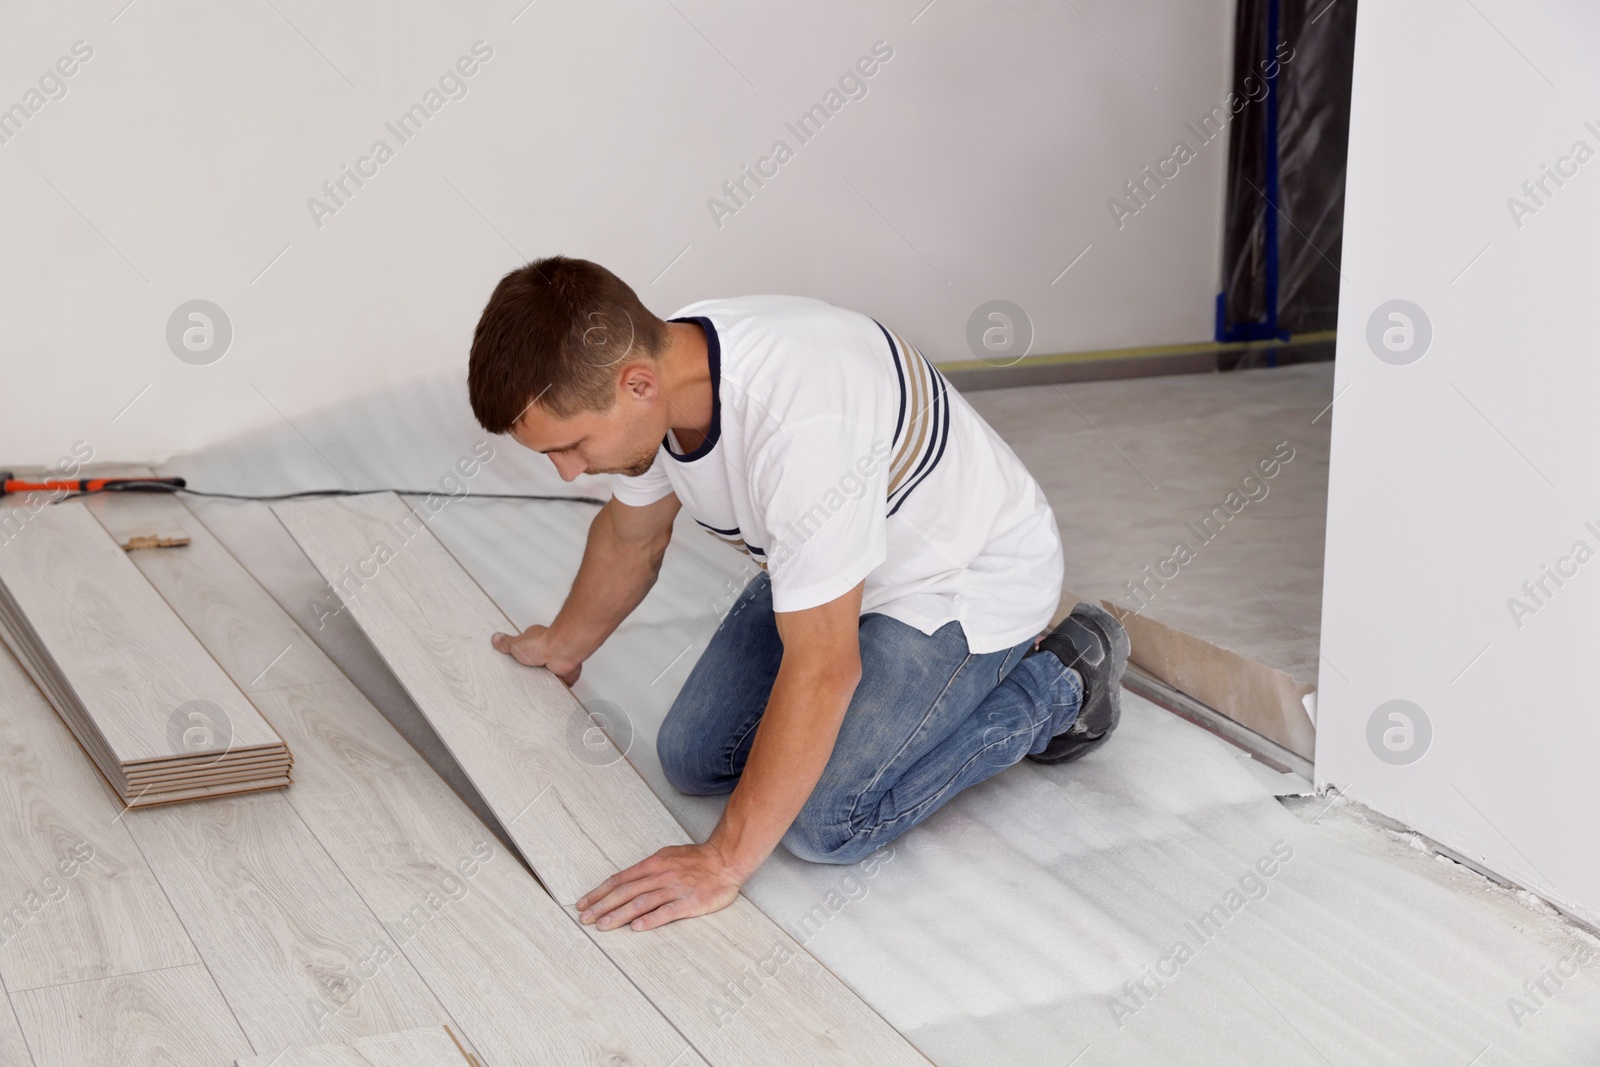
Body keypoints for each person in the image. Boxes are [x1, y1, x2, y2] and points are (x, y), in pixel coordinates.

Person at [467, 256, 1129, 933]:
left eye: (572, 445)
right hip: (842, 569)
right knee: (694, 756)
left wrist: (722, 861)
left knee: (826, 824)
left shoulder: (800, 423)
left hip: (960, 581)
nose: (570, 471)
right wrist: (562, 644)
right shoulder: (663, 373)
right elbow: (632, 537)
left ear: (636, 384)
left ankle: (1063, 678)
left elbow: (825, 667)